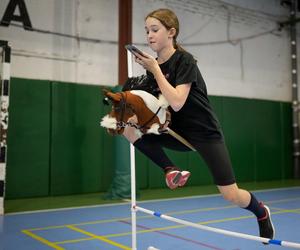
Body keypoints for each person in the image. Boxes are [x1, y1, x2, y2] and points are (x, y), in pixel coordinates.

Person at [122, 8, 274, 241]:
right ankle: (170, 169)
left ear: (171, 32)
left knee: (230, 194)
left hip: (204, 133)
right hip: (176, 132)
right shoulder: (152, 71)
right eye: (147, 31)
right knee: (127, 128)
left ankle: (261, 212)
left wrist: (155, 70)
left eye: (155, 30)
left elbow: (178, 101)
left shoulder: (185, 61)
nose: (149, 35)